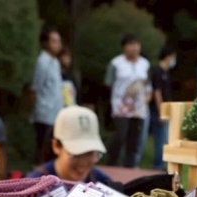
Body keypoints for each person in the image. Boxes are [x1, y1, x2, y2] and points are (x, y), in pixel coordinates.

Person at [27, 106, 112, 184]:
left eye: (89, 153)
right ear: (56, 146)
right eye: (76, 153)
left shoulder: (103, 182)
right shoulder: (33, 187)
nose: (83, 162)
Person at [105, 33, 151, 169]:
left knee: (134, 140)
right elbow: (108, 84)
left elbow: (148, 85)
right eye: (130, 45)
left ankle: (130, 168)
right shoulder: (116, 63)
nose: (134, 48)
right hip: (121, 107)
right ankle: (111, 163)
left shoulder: (145, 64)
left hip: (139, 108)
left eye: (136, 44)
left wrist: (146, 99)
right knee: (120, 136)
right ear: (124, 47)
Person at [31, 26, 65, 163]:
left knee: (53, 148)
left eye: (59, 41)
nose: (58, 45)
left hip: (56, 112)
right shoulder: (42, 62)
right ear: (45, 43)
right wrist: (33, 111)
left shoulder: (55, 62)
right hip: (44, 112)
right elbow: (35, 87)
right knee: (43, 147)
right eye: (54, 41)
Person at [150, 46, 176, 170]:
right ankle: (158, 164)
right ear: (168, 56)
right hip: (158, 110)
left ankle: (162, 163)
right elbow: (157, 92)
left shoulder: (166, 73)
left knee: (165, 137)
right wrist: (161, 112)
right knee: (161, 137)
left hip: (166, 110)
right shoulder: (157, 72)